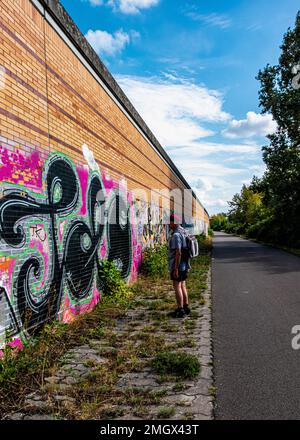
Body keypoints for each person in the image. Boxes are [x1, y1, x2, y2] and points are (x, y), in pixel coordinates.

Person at [168, 214, 191, 318]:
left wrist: (176, 268)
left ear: (174, 222)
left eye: (169, 222)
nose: (168, 224)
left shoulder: (176, 235)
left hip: (178, 265)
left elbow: (178, 252)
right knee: (183, 285)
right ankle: (186, 307)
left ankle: (180, 309)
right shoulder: (184, 231)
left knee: (177, 286)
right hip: (185, 264)